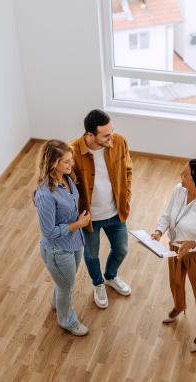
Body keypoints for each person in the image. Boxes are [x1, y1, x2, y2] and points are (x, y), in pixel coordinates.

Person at [151, 159, 196, 352]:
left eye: (185, 175)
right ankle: (179, 306)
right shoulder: (178, 190)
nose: (181, 177)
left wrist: (193, 244)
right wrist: (158, 231)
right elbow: (166, 214)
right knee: (175, 281)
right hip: (175, 247)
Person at [70, 109, 133, 309]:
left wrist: (127, 196)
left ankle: (111, 276)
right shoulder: (71, 151)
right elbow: (62, 182)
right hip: (90, 217)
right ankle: (98, 284)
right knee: (91, 255)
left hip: (116, 212)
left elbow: (128, 169)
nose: (111, 137)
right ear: (90, 135)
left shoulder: (119, 141)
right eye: (105, 135)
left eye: (111, 131)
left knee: (122, 249)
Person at [33, 139, 91, 336]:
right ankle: (67, 320)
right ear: (53, 164)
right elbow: (49, 232)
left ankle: (56, 303)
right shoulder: (45, 195)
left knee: (65, 282)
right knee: (67, 286)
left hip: (74, 242)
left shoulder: (67, 178)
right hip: (58, 250)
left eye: (70, 160)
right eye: (66, 162)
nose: (71, 164)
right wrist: (78, 224)